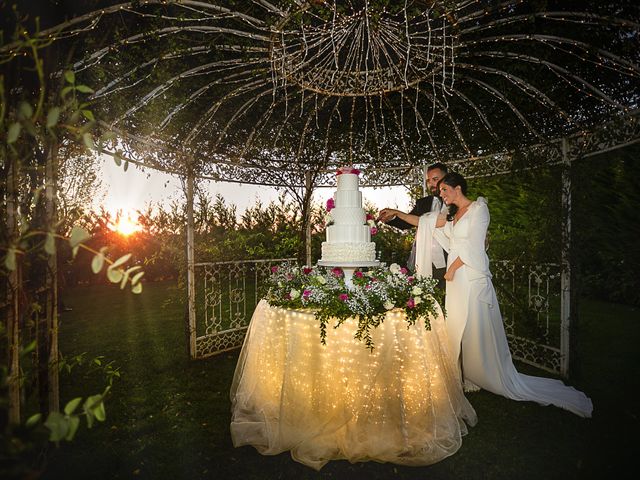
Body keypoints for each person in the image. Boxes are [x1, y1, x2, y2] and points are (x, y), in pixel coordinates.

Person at [430, 172, 592, 417]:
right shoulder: (454, 214)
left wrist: (451, 268)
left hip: (469, 275)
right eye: (440, 191)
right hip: (456, 279)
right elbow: (442, 234)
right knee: (457, 326)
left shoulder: (478, 209)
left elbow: (475, 246)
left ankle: (479, 375)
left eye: (444, 190)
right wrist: (444, 209)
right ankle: (466, 374)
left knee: (474, 325)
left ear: (458, 187)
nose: (441, 194)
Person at [378, 162, 448, 288]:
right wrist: (391, 218)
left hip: (448, 262)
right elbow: (407, 222)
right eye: (428, 180)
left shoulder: (455, 202)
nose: (431, 183)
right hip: (423, 260)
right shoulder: (423, 203)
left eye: (435, 179)